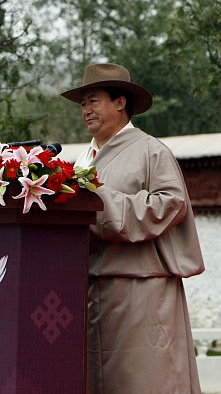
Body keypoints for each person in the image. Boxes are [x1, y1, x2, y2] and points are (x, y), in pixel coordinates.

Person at [62, 62, 205, 394]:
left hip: (140, 290)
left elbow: (171, 205)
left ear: (120, 102)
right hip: (91, 288)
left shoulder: (151, 150)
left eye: (93, 100)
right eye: (83, 103)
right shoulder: (81, 161)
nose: (85, 110)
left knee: (144, 380)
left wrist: (98, 200)